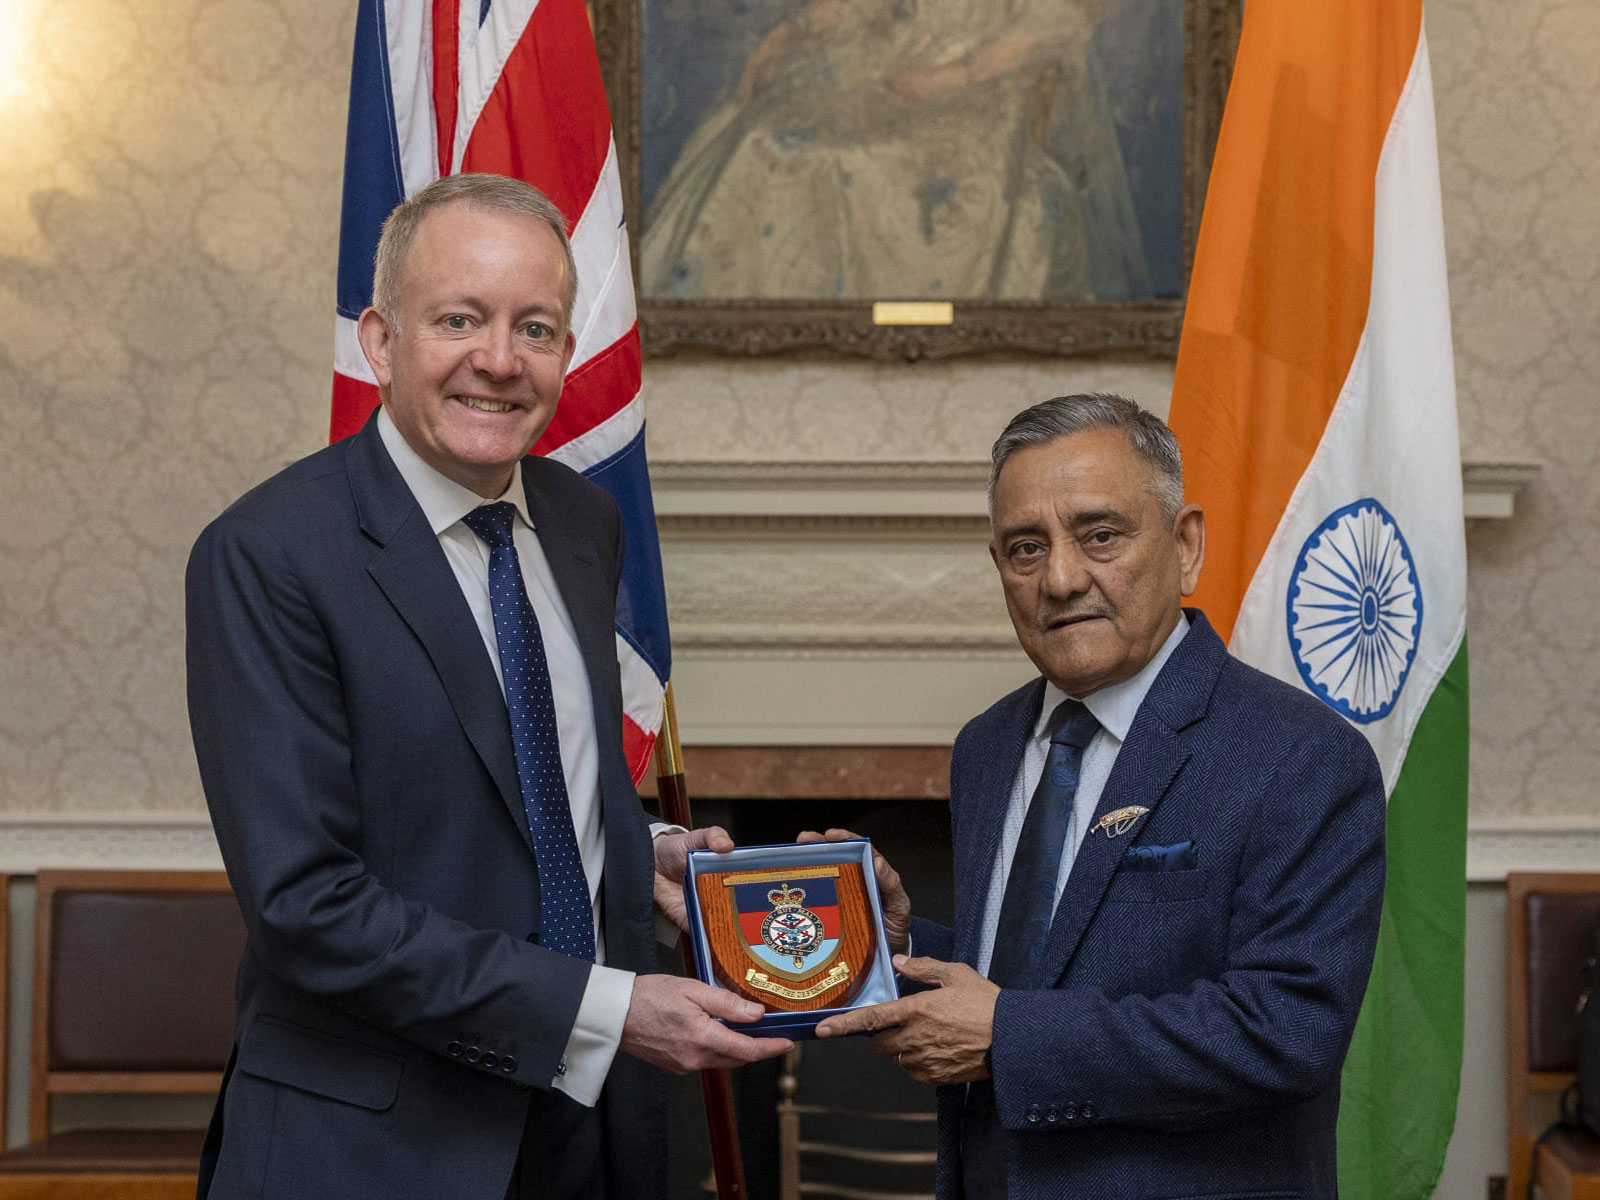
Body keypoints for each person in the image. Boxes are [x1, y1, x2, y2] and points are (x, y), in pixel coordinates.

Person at [185, 173, 789, 1200]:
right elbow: (305, 904)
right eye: (459, 319)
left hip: (590, 1134)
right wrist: (606, 1010)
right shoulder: (269, 554)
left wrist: (638, 850)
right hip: (377, 1147)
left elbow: (518, 786)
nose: (500, 361)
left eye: (537, 327)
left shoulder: (580, 524)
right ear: (380, 342)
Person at [808, 394, 1386, 1199]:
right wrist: (899, 942)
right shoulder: (988, 745)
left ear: (1185, 546)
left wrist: (1008, 1038)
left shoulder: (1303, 758)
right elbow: (1044, 961)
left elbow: (1287, 1029)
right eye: (1025, 548)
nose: (1061, 578)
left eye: (1101, 535)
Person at [640, 0, 1151, 301]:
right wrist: (790, 30)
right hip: (890, 65)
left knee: (861, 165)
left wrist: (957, 75)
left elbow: (1060, 18)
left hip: (991, 86)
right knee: (761, 143)